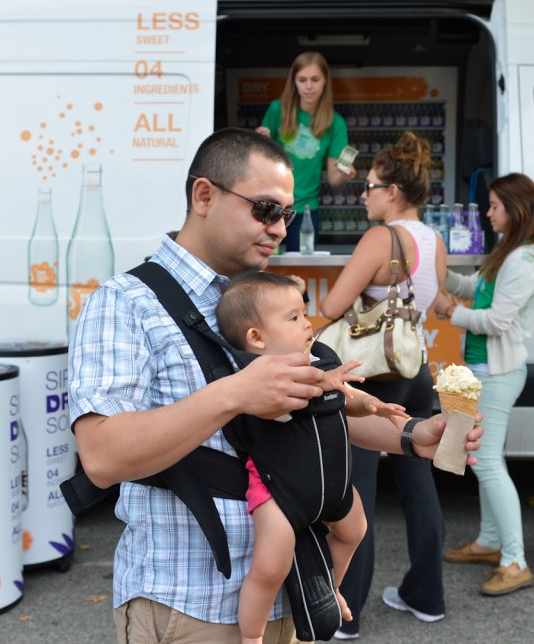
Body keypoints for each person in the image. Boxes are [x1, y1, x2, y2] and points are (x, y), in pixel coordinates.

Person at [68, 127, 483, 644]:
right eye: (265, 210)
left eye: (286, 214)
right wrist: (235, 394)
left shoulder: (268, 298)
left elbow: (316, 414)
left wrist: (413, 436)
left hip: (297, 591)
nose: (280, 229)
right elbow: (101, 456)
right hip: (189, 603)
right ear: (204, 196)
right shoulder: (126, 302)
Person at [216, 271, 408, 644]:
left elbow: (346, 398)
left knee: (355, 531)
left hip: (330, 483)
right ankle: (252, 635)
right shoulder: (257, 376)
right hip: (279, 490)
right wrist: (323, 382)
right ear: (257, 338)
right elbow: (278, 408)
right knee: (271, 567)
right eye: (293, 318)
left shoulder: (317, 360)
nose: (307, 323)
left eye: (304, 314)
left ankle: (328, 588)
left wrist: (373, 404)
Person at [318, 131, 447, 639]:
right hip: (416, 371)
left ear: (392, 191)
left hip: (374, 378)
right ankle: (427, 596)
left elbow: (332, 306)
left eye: (370, 186)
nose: (364, 195)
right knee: (420, 486)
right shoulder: (434, 242)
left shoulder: (380, 239)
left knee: (359, 492)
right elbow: (431, 306)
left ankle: (348, 612)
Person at [431, 173, 534, 596]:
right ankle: (489, 542)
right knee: (483, 458)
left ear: (515, 210)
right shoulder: (508, 253)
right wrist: (443, 274)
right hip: (485, 370)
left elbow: (497, 321)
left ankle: (515, 561)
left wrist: (450, 312)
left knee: (486, 462)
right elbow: (475, 289)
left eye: (495, 205)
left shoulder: (522, 260)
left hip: (498, 374)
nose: (488, 212)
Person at [256, 51, 355, 252]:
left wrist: (345, 173)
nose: (309, 86)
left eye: (315, 80)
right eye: (302, 80)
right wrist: (258, 142)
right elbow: (260, 162)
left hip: (305, 211)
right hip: (271, 206)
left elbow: (334, 178)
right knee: (263, 266)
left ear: (325, 81)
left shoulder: (335, 123)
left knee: (299, 268)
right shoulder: (277, 110)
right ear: (294, 82)